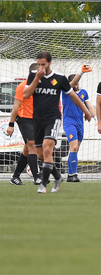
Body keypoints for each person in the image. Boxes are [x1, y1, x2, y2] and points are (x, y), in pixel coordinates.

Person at [23, 52, 92, 194]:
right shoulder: (33, 76)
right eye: (39, 64)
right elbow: (26, 94)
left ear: (50, 63)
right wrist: (37, 79)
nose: (41, 67)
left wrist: (86, 111)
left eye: (44, 64)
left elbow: (73, 95)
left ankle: (43, 185)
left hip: (53, 119)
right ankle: (58, 176)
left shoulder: (59, 78)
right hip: (37, 120)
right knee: (42, 155)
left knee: (48, 149)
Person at [7, 63, 41, 186]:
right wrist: (11, 124)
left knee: (27, 149)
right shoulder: (22, 86)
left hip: (36, 120)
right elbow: (15, 107)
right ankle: (37, 177)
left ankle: (15, 177)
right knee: (32, 145)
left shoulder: (41, 87)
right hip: (24, 119)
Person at [62, 64, 96, 183]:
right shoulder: (66, 92)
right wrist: (80, 73)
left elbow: (90, 107)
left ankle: (70, 175)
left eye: (77, 83)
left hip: (80, 124)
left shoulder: (84, 92)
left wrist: (96, 119)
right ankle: (73, 174)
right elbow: (70, 85)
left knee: (75, 150)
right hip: (68, 123)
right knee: (74, 147)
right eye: (75, 83)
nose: (76, 85)